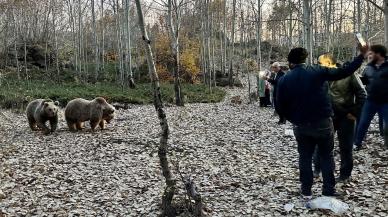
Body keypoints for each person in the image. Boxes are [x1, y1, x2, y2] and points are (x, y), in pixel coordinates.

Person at [275, 45, 367, 198]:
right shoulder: (317, 71)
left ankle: (306, 191)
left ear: (290, 63)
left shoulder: (284, 80)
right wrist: (360, 56)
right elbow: (344, 71)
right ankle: (328, 190)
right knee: (326, 156)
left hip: (301, 125)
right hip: (323, 122)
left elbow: (280, 105)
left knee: (304, 156)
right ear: (305, 59)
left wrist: (292, 119)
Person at [313, 54, 366, 182]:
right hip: (327, 116)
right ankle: (317, 169)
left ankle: (345, 174)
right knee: (320, 144)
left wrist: (354, 113)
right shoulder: (321, 75)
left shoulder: (349, 74)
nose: (319, 66)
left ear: (330, 63)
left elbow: (362, 94)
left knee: (346, 147)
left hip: (346, 115)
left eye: (321, 63)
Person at [354, 45, 388, 150]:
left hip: (386, 102)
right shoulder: (369, 67)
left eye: (372, 53)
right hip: (370, 101)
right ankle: (357, 144)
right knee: (363, 123)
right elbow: (364, 81)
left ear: (379, 54)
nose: (370, 55)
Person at [360, 53, 384, 137]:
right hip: (370, 96)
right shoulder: (367, 68)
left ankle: (382, 134)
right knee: (365, 118)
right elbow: (362, 81)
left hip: (383, 98)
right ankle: (361, 137)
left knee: (382, 118)